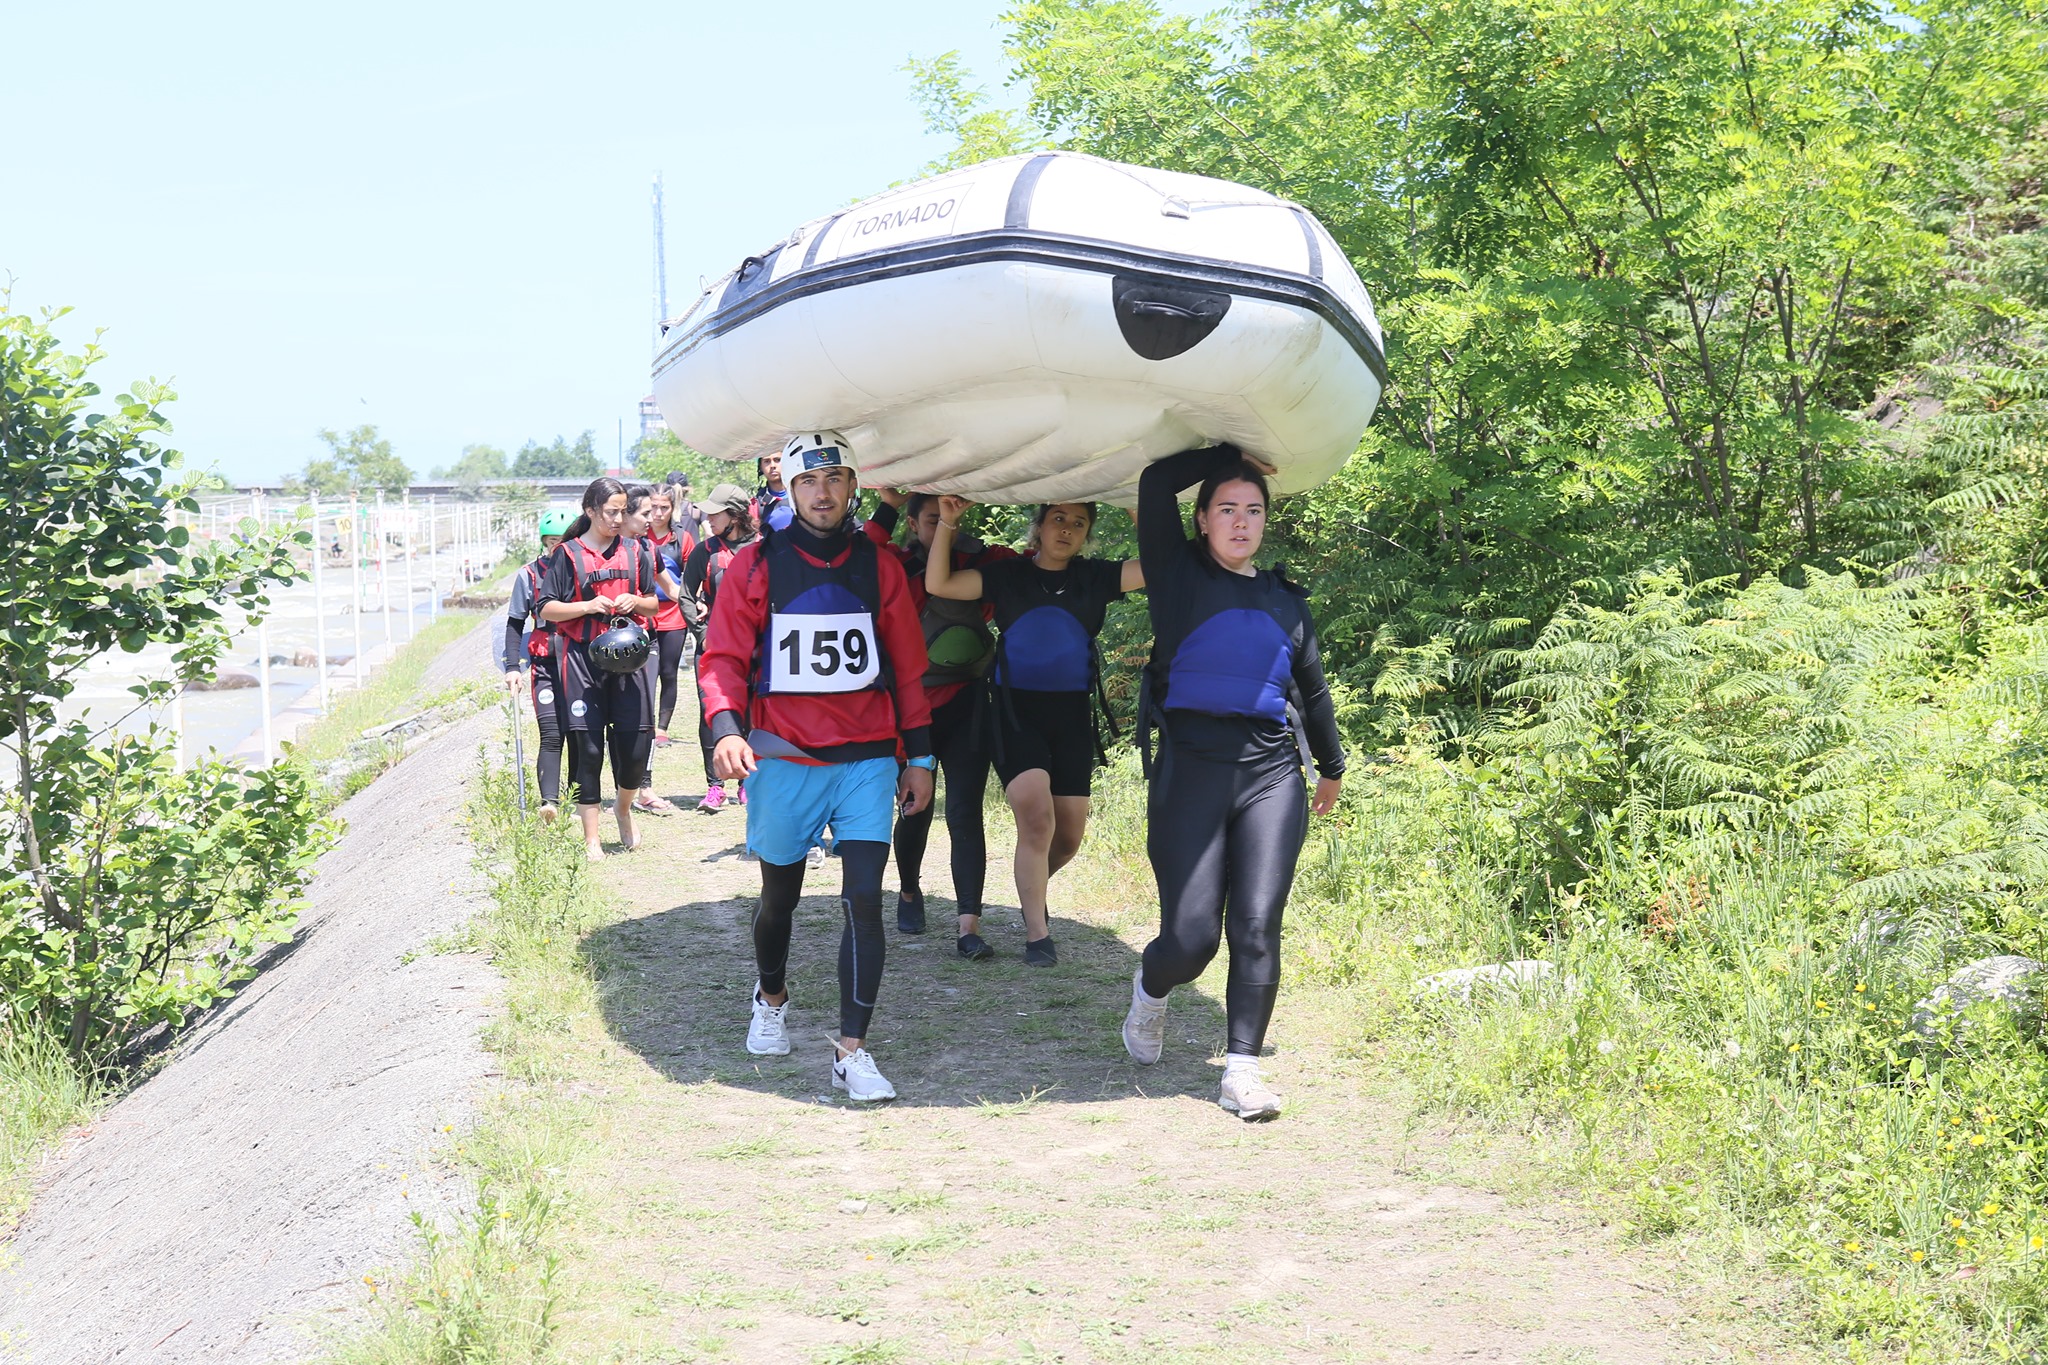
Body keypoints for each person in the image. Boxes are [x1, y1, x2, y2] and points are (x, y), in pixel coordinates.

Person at [698, 431, 934, 1101]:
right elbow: (720, 659)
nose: (822, 492)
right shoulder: (755, 565)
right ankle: (770, 995)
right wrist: (725, 730)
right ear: (790, 489)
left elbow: (910, 671)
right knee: (781, 897)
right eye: (808, 481)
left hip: (865, 759)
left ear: (853, 485)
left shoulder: (880, 566)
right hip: (784, 756)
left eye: (834, 479)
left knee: (865, 899)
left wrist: (919, 756)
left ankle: (851, 1051)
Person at [1120, 446, 1345, 1122]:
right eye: (1227, 509)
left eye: (1253, 509)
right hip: (1190, 770)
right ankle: (1150, 992)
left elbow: (1315, 690)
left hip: (1272, 773)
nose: (1242, 522)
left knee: (1255, 924)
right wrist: (1230, 452)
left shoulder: (1286, 600)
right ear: (1202, 519)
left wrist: (1331, 767)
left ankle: (1241, 1070)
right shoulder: (1176, 575)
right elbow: (1156, 479)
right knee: (1191, 940)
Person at [926, 497, 1143, 965]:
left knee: (1067, 838)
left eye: (1078, 523)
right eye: (1058, 519)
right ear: (1039, 526)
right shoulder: (1010, 574)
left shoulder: (1095, 576)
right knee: (1037, 818)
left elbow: (1161, 568)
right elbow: (938, 582)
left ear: (1086, 534)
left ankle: (1030, 885)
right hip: (1014, 711)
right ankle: (1037, 936)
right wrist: (948, 522)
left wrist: (1137, 511)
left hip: (1071, 717)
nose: (1066, 529)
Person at [860, 490, 1019, 956]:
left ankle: (968, 925)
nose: (942, 525)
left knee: (966, 811)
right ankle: (909, 889)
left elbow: (1032, 564)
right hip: (912, 709)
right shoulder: (893, 563)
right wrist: (886, 505)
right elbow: (862, 552)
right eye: (931, 519)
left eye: (948, 516)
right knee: (916, 808)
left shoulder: (983, 560)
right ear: (912, 524)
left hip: (968, 702)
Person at [537, 476, 662, 861]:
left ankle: (623, 809)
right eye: (610, 511)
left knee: (635, 744)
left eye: (622, 510)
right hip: (582, 661)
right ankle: (591, 836)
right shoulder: (567, 555)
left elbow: (655, 604)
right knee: (588, 747)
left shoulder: (636, 551)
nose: (617, 518)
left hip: (630, 662)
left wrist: (634, 601)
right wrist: (588, 607)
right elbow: (546, 608)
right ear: (590, 511)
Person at [681, 483, 759, 812]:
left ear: (736, 516)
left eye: (716, 513)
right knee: (711, 714)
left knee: (752, 713)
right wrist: (701, 634)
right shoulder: (706, 551)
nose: (708, 518)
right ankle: (715, 786)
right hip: (714, 648)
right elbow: (686, 595)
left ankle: (747, 782)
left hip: (756, 649)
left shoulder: (764, 549)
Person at [502, 508, 577, 824]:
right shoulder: (528, 575)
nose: (555, 547)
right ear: (544, 542)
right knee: (550, 731)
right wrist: (512, 666)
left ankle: (579, 801)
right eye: (551, 541)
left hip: (577, 662)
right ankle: (550, 803)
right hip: (544, 664)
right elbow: (515, 624)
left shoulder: (581, 572)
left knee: (580, 733)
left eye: (562, 541)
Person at [642, 484, 699, 754]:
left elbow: (693, 574)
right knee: (645, 673)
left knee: (668, 671)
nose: (658, 513)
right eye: (653, 507)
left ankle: (662, 728)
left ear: (672, 508)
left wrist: (693, 602)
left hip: (674, 614)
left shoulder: (682, 538)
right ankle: (645, 724)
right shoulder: (640, 536)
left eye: (664, 507)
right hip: (644, 611)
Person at [753, 449, 793, 532]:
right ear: (760, 467)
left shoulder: (802, 493)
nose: (772, 466)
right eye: (767, 461)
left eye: (777, 460)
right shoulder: (757, 505)